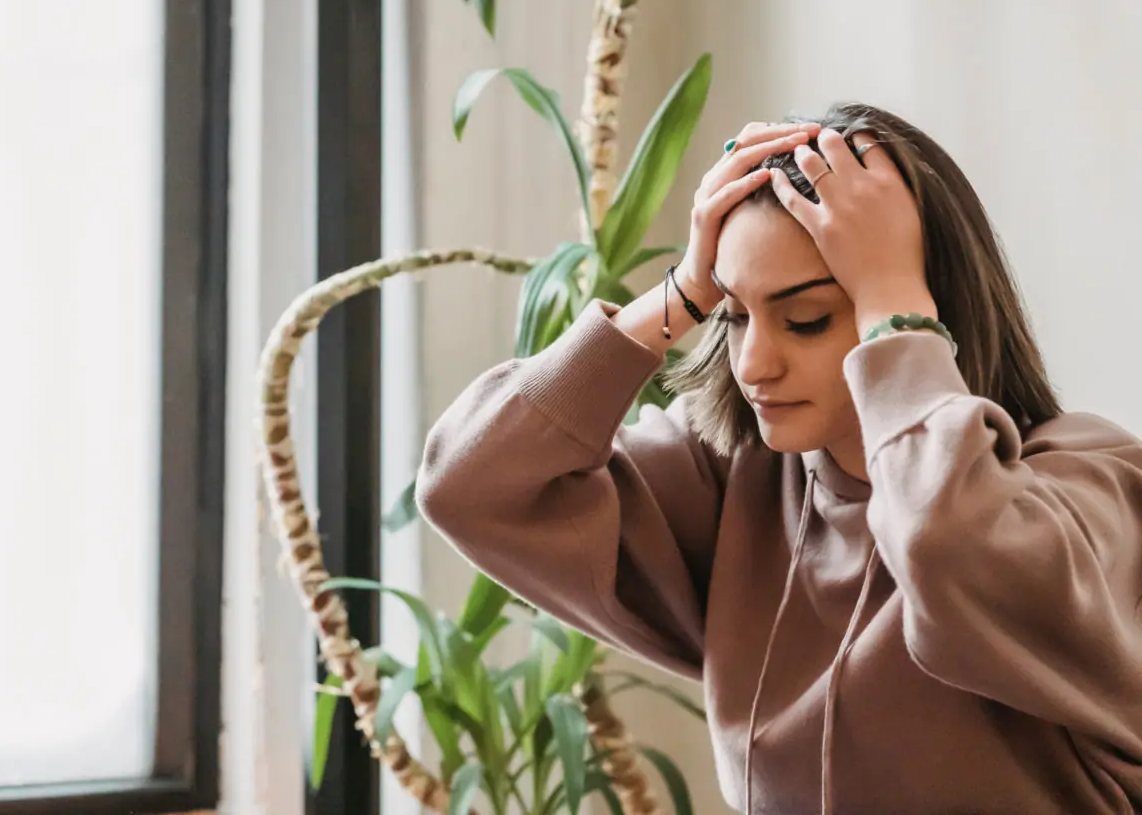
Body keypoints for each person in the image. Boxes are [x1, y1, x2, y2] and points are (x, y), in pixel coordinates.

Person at [417, 103, 1142, 814]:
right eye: (734, 315)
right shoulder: (737, 489)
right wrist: (683, 291)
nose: (753, 364)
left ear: (924, 309)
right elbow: (469, 484)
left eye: (805, 319)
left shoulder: (1090, 489)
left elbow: (947, 550)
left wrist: (893, 303)